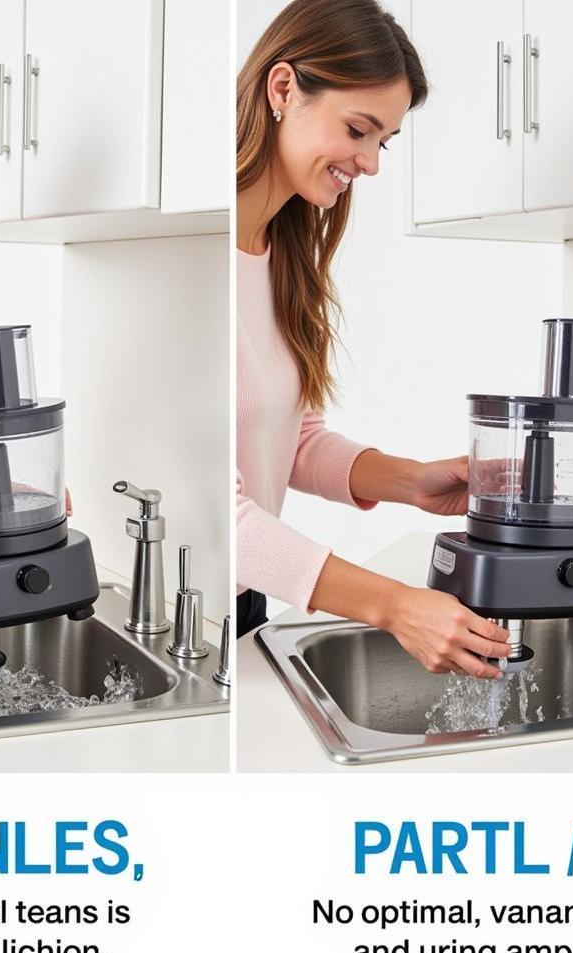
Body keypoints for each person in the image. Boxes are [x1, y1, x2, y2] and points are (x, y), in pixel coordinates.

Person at [236, 0, 511, 679]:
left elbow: (292, 441)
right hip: (215, 594)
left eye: (382, 141)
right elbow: (223, 507)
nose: (370, 163)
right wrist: (394, 607)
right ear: (283, 89)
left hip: (245, 601)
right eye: (359, 130)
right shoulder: (193, 262)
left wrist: (413, 481)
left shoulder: (282, 257)